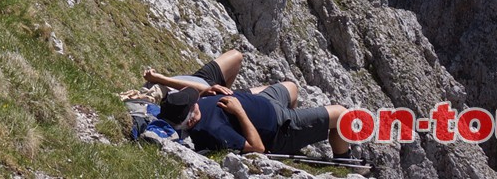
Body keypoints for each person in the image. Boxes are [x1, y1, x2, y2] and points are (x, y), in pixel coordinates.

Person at [174, 75, 361, 160]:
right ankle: (343, 159)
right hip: (278, 127)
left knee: (291, 86)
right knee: (342, 115)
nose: (196, 102)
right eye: (193, 105)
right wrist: (239, 111)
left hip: (265, 101)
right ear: (189, 120)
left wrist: (207, 90)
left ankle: (299, 133)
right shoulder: (211, 130)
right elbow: (257, 147)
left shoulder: (189, 107)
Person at [143, 48, 243, 127]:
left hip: (198, 79)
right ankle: (221, 100)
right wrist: (161, 79)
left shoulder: (155, 91)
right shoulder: (175, 108)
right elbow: (202, 89)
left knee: (237, 56)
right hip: (205, 87)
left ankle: (223, 96)